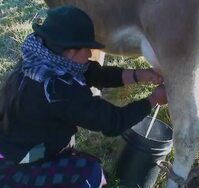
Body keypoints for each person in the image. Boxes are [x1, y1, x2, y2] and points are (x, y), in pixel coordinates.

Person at [0, 5, 167, 187]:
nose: (90, 54)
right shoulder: (59, 89)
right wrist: (153, 100)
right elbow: (113, 122)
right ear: (70, 51)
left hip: (15, 146)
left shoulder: (39, 59)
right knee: (90, 173)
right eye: (87, 49)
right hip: (16, 168)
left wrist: (141, 75)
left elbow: (96, 74)